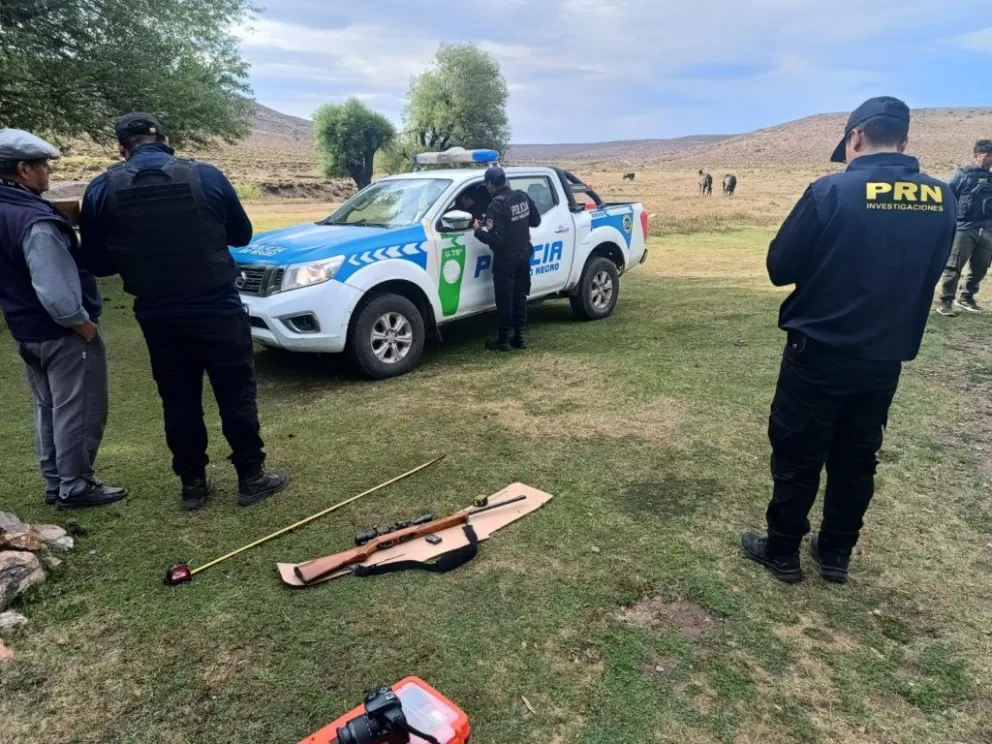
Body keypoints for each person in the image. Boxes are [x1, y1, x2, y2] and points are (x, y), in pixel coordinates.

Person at [740, 97, 956, 584]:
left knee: (798, 452)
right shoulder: (942, 197)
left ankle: (782, 551)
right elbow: (934, 265)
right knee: (857, 457)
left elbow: (779, 267)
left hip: (819, 351)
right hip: (885, 355)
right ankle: (836, 552)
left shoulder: (831, 191)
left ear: (855, 136)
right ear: (904, 140)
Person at [79, 113, 288, 510]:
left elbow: (97, 262)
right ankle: (251, 477)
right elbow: (241, 234)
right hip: (217, 305)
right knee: (236, 394)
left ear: (122, 149)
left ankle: (192, 485)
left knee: (178, 399)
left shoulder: (102, 189)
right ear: (166, 139)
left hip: (158, 312)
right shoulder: (205, 176)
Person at [0, 129, 128, 510]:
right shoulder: (36, 221)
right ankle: (76, 485)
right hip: (61, 333)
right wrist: (81, 325)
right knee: (78, 408)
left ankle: (56, 481)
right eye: (42, 165)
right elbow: (54, 288)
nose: (48, 172)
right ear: (23, 170)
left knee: (48, 407)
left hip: (26, 329)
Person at [473, 166, 541, 351]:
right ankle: (519, 336)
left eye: (486, 185)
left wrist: (478, 231)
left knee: (505, 300)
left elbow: (497, 240)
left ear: (490, 184)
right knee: (520, 296)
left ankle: (503, 340)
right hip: (524, 254)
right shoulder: (522, 196)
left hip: (506, 259)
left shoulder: (496, 205)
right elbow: (536, 221)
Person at [936, 140, 992, 316]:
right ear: (976, 155)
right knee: (954, 266)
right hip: (964, 228)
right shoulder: (963, 175)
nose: (991, 159)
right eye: (988, 155)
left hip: (987, 229)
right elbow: (948, 197)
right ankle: (946, 301)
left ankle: (967, 297)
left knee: (981, 266)